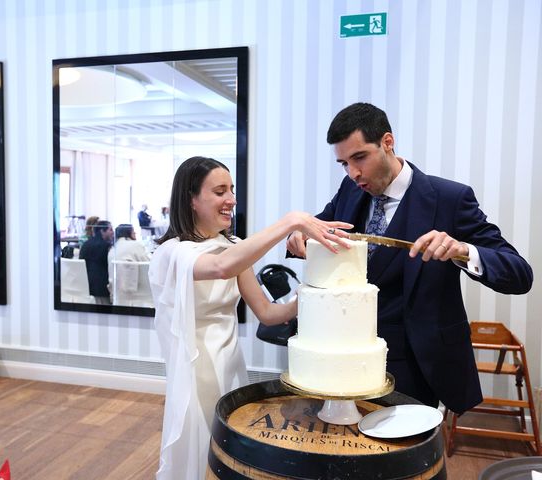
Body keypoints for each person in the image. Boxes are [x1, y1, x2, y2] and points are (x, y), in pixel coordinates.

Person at [286, 102, 534, 415]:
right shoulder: (350, 190)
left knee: (402, 457)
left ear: (387, 142)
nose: (354, 173)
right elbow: (320, 225)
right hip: (344, 358)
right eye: (343, 163)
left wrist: (462, 250)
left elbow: (520, 273)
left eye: (360, 157)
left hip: (414, 366)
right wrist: (300, 234)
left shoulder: (449, 199)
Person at [149, 156, 351, 479]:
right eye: (219, 191)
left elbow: (269, 313)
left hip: (229, 367)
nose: (231, 199)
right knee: (198, 451)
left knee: (228, 453)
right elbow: (220, 267)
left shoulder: (234, 247)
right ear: (192, 199)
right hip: (193, 374)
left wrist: (314, 291)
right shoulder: (171, 254)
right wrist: (290, 222)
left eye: (231, 189)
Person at [79, 220, 114, 304]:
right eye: (110, 230)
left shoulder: (85, 244)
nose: (113, 232)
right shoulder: (107, 247)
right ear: (102, 231)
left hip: (87, 287)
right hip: (103, 289)